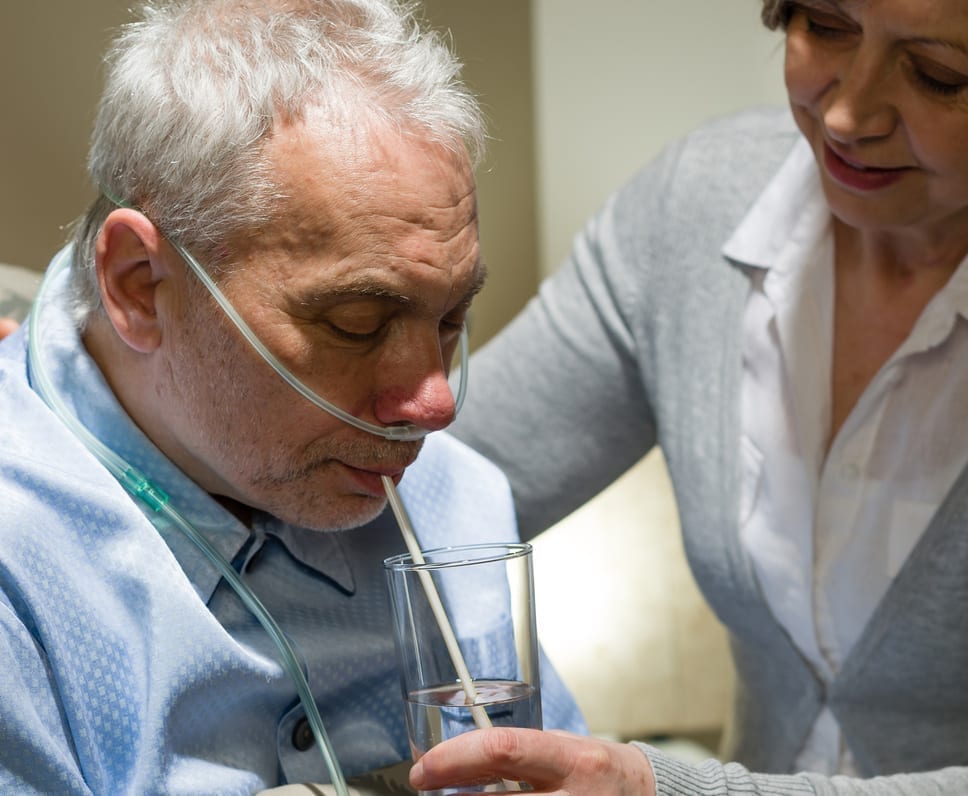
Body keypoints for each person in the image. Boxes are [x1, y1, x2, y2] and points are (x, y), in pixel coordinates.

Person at [0, 0, 585, 792]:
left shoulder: (457, 504)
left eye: (450, 318)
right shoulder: (22, 566)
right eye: (355, 321)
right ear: (140, 286)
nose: (436, 406)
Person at [417, 0, 968, 794]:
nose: (846, 112)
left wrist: (664, 788)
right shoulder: (696, 210)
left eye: (936, 75)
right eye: (825, 26)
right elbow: (424, 489)